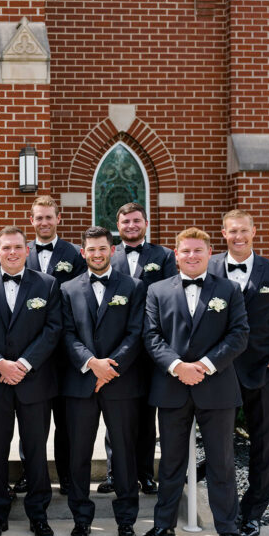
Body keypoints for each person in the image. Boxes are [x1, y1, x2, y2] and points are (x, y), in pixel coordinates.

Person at [137, 227, 249, 536]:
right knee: (170, 462)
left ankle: (227, 530)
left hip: (217, 387)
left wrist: (204, 365)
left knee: (221, 462)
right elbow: (151, 335)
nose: (191, 256)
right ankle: (164, 525)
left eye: (198, 250)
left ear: (209, 253)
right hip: (172, 386)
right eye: (185, 251)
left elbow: (239, 334)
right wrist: (177, 367)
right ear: (176, 254)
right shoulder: (157, 290)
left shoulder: (228, 289)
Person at [0, 226, 63, 536]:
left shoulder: (47, 284)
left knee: (35, 450)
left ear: (27, 250)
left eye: (18, 247)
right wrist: (0, 364)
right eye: (6, 247)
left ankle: (39, 516)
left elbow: (53, 329)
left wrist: (23, 364)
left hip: (34, 382)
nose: (12, 252)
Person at [209, 209, 269, 536]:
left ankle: (252, 513)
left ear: (253, 231)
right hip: (219, 371)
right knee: (219, 444)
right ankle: (226, 511)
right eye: (232, 231)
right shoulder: (209, 267)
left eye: (243, 230)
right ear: (223, 233)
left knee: (263, 445)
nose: (238, 236)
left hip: (264, 371)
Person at [60, 226, 146, 536]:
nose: (97, 254)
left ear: (112, 250)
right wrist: (91, 364)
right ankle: (81, 519)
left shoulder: (133, 287)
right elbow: (66, 333)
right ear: (83, 252)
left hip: (121, 383)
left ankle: (126, 520)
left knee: (124, 454)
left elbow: (136, 332)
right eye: (91, 249)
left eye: (102, 248)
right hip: (80, 382)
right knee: (78, 454)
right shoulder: (67, 289)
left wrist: (109, 368)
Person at [98, 202, 178, 495]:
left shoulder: (164, 255)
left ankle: (145, 474)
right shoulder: (109, 255)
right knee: (115, 416)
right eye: (125, 222)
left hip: (149, 351)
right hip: (116, 348)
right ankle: (114, 473)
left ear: (145, 223)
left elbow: (170, 297)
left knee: (146, 416)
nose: (131, 226)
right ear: (117, 226)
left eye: (136, 221)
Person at [21, 196, 86, 497]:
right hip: (30, 353)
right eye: (39, 217)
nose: (44, 222)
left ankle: (66, 475)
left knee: (65, 420)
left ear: (58, 219)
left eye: (49, 217)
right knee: (31, 421)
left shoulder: (73, 254)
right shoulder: (20, 252)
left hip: (64, 354)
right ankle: (29, 473)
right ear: (31, 220)